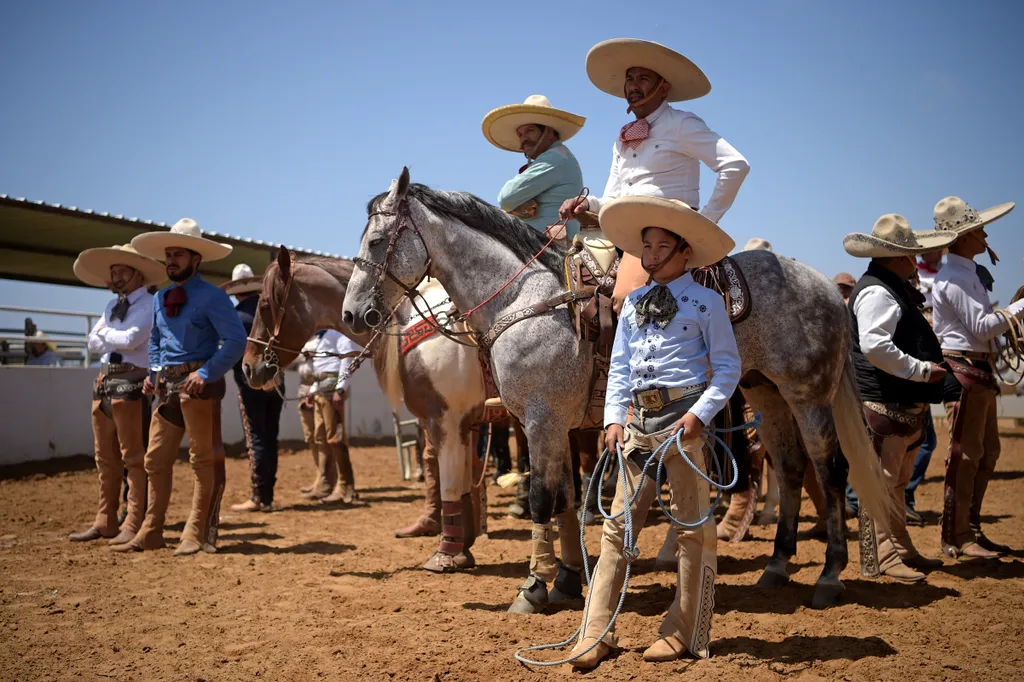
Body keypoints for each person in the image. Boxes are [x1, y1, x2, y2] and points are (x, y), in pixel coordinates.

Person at [569, 195, 740, 668]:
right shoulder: (633, 303)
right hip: (637, 427)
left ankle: (685, 631)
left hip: (684, 425)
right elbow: (619, 368)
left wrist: (699, 416)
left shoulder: (707, 302)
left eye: (662, 245)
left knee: (692, 530)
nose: (650, 254)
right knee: (616, 529)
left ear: (684, 251)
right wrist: (612, 418)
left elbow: (727, 368)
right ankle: (596, 631)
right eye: (646, 246)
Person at [560, 38, 750, 311]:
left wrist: (704, 223)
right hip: (629, 232)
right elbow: (614, 198)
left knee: (625, 298)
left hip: (665, 235)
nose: (634, 86)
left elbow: (735, 165)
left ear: (664, 88)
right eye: (629, 78)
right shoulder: (622, 138)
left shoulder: (682, 124)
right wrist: (587, 204)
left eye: (643, 78)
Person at [111, 218, 246, 555]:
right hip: (167, 387)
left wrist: (208, 372)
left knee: (201, 459)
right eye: (168, 255)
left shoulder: (213, 297)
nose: (170, 260)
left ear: (195, 258)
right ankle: (152, 530)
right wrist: (154, 370)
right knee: (155, 459)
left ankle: (195, 533)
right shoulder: (161, 298)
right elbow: (156, 339)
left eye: (178, 255)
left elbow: (236, 340)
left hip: (199, 386)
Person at [844, 214, 955, 581]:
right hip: (884, 403)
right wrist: (921, 370)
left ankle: (899, 547)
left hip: (895, 404)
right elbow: (876, 346)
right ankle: (881, 556)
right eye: (910, 254)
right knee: (883, 479)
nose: (915, 261)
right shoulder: (878, 291)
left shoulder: (886, 288)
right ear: (897, 257)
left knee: (893, 479)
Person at [930, 196, 1022, 559]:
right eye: (979, 230)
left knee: (986, 453)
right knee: (967, 456)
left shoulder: (963, 275)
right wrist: (1019, 308)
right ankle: (958, 534)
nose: (985, 235)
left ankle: (970, 528)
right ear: (964, 235)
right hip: (967, 372)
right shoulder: (955, 278)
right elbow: (982, 326)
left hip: (977, 370)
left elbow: (982, 329)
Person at [68, 243, 164, 543]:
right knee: (106, 458)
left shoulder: (149, 304)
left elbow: (130, 339)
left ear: (138, 274)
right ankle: (106, 518)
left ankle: (132, 521)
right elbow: (93, 343)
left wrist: (106, 336)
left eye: (121, 271)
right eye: (114, 272)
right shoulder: (114, 307)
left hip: (129, 386)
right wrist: (113, 339)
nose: (116, 277)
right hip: (108, 384)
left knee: (133, 458)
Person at [222, 264, 284, 512]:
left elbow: (233, 351)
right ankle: (267, 495)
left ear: (238, 292)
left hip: (249, 383)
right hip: (276, 382)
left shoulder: (236, 317)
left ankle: (259, 495)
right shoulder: (271, 315)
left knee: (256, 437)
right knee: (270, 438)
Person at [483, 95, 586, 243]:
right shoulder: (559, 155)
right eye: (520, 134)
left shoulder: (555, 158)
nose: (523, 138)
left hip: (551, 249)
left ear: (549, 131)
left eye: (530, 130)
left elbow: (505, 198)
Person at [305, 329, 362, 504]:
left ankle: (345, 486)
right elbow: (322, 366)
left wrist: (341, 388)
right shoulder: (324, 335)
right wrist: (313, 389)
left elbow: (347, 359)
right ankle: (328, 483)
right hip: (322, 387)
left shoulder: (338, 333)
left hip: (331, 388)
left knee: (335, 438)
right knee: (321, 436)